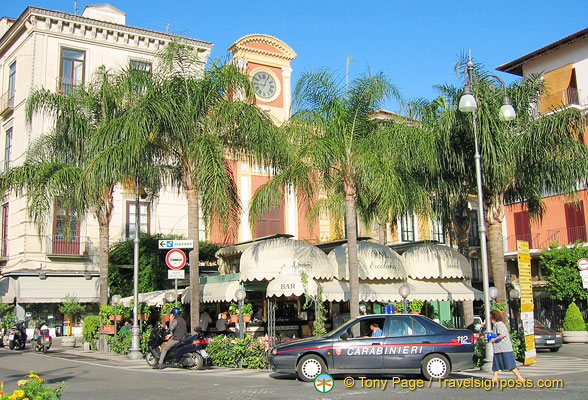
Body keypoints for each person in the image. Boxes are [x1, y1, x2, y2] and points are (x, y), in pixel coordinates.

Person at [489, 310, 524, 382]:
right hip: (498, 349)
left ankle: (519, 377)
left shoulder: (499, 324)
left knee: (510, 363)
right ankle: (495, 377)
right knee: (496, 363)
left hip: (504, 348)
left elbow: (502, 335)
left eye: (490, 316)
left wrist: (494, 339)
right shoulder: (496, 325)